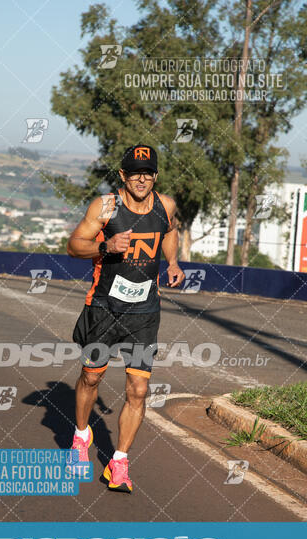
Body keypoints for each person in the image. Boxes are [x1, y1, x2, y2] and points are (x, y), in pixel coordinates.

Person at [67, 144, 185, 493]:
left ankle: (118, 463)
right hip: (104, 308)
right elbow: (74, 246)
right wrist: (106, 246)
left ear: (155, 176)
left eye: (148, 173)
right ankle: (80, 437)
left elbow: (171, 231)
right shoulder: (105, 207)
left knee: (139, 389)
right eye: (135, 172)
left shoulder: (166, 206)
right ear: (123, 175)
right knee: (91, 377)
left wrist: (174, 262)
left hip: (144, 313)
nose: (141, 179)